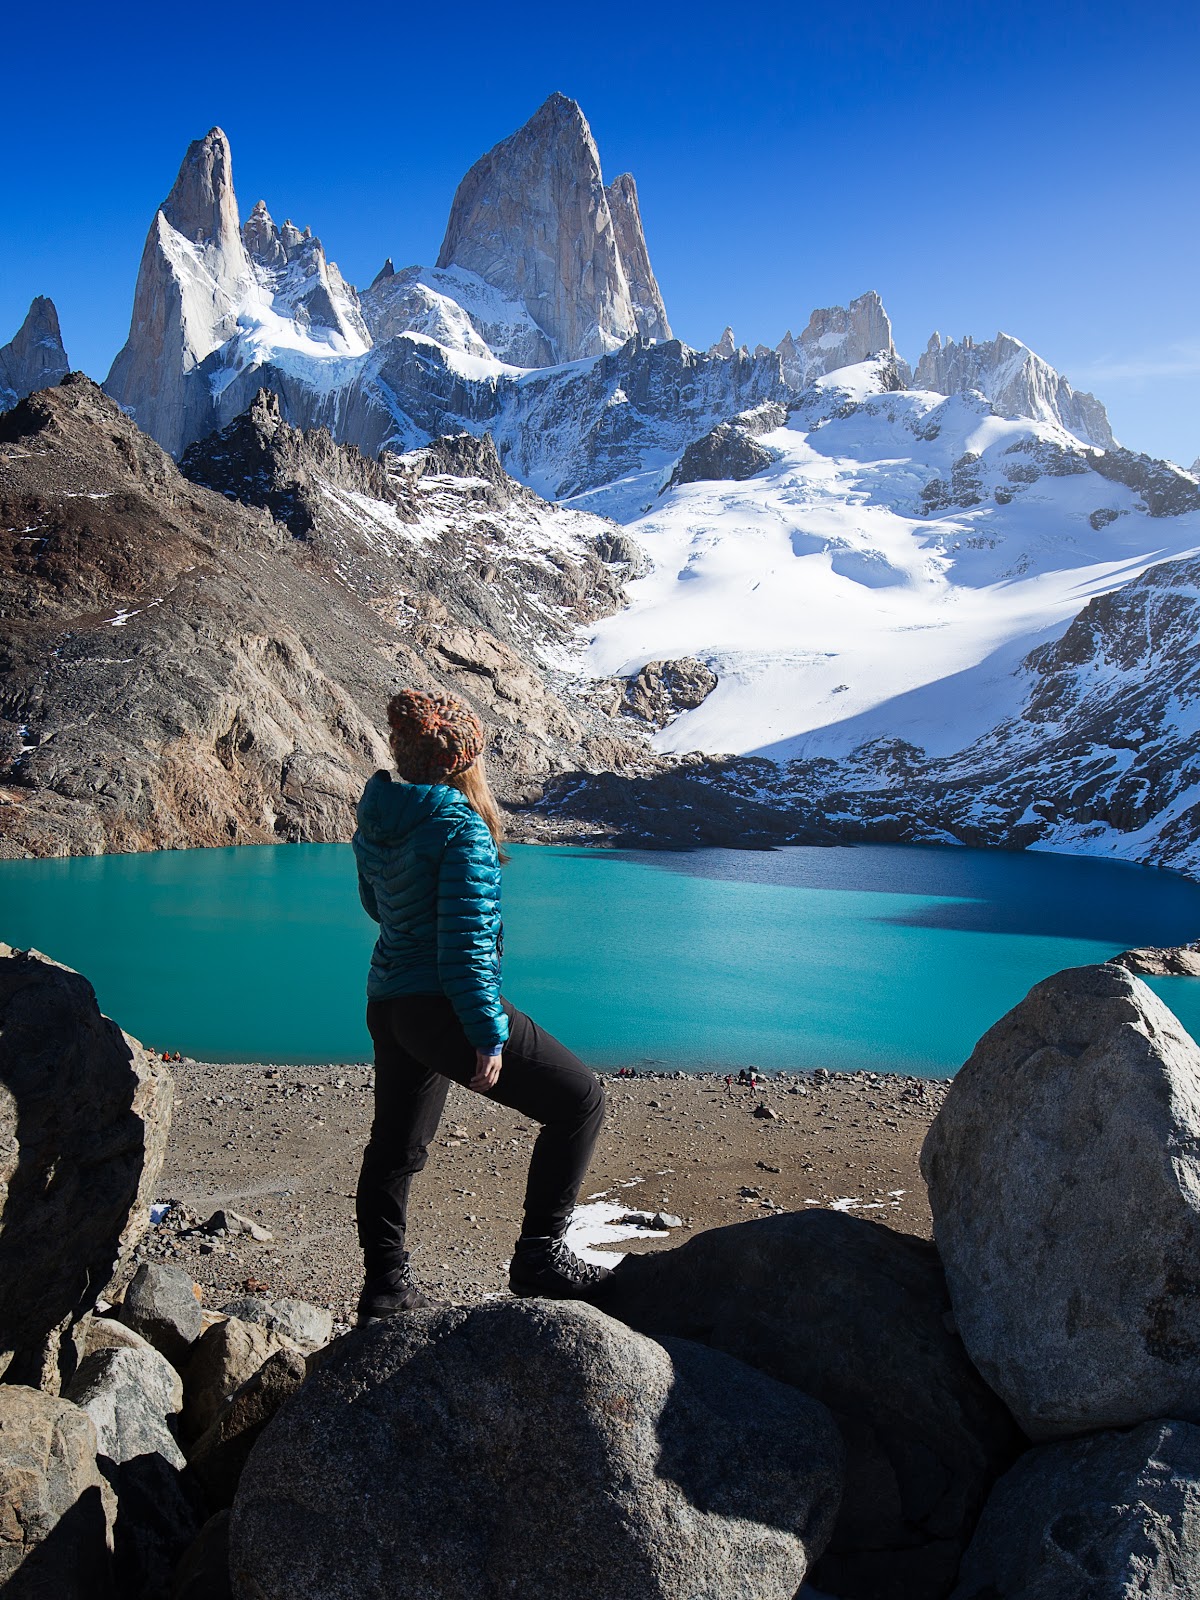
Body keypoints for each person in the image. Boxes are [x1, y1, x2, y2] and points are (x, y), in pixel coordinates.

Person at [352, 689, 608, 1325]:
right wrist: (486, 1033)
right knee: (581, 1101)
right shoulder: (460, 827)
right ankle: (539, 1258)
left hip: (391, 1001)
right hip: (444, 1004)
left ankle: (385, 1289)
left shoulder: (378, 812)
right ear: (464, 760)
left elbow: (377, 908)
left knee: (396, 1148)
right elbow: (465, 946)